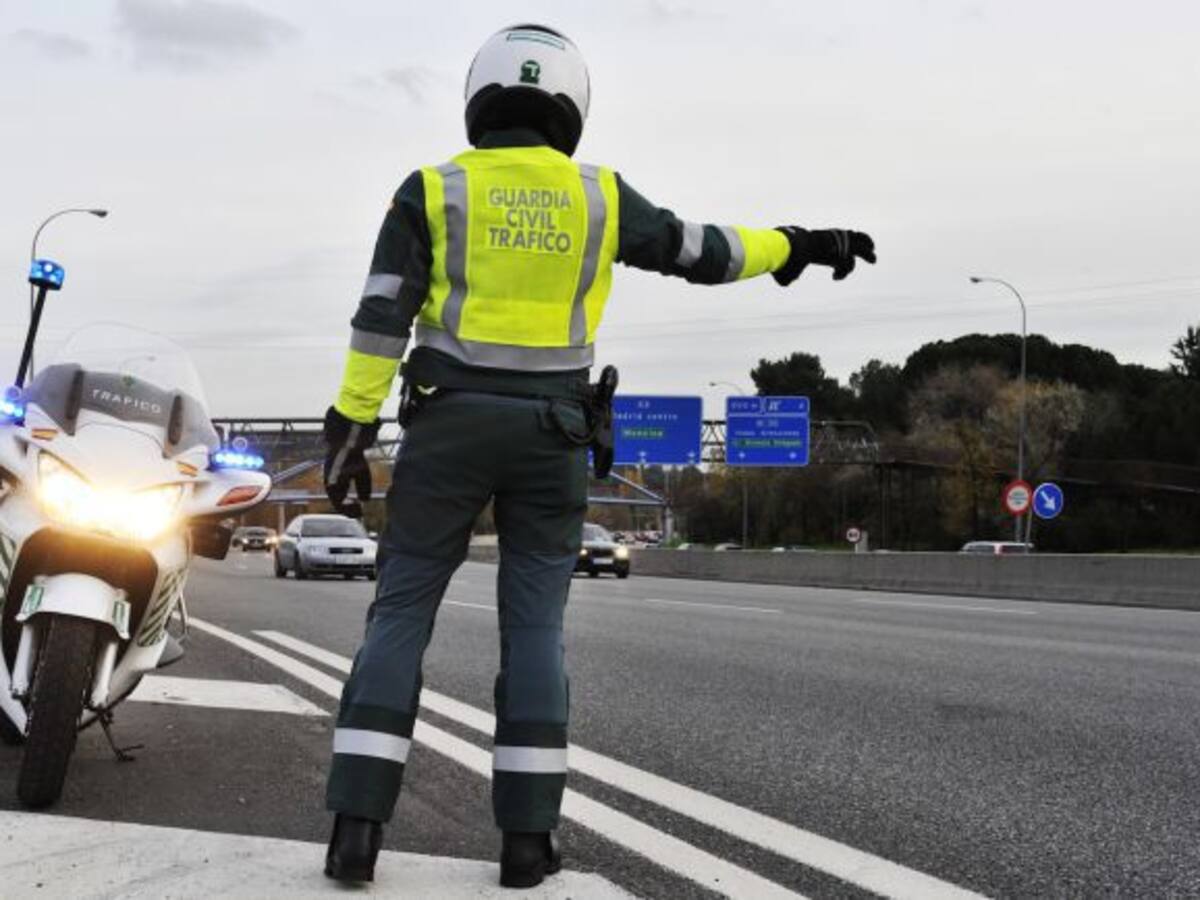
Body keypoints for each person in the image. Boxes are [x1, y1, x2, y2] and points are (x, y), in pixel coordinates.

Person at [321, 23, 876, 888]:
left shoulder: (431, 190)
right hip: (552, 438)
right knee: (534, 631)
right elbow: (704, 250)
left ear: (480, 98)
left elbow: (382, 315)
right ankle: (527, 844)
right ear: (571, 105)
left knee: (399, 617)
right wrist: (800, 244)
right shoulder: (600, 196)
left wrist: (349, 431)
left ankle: (356, 830)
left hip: (446, 429)